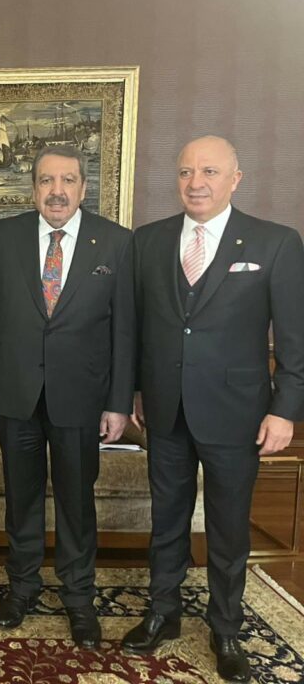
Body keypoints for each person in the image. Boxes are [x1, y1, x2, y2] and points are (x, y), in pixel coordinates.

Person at [121, 136, 304, 682]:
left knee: (227, 528)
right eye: (185, 172)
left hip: (237, 413)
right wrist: (133, 392)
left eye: (209, 171)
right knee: (166, 520)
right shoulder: (148, 241)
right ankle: (163, 612)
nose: (195, 182)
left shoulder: (276, 242)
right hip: (165, 410)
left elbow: (294, 339)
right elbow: (134, 329)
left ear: (235, 178)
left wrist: (285, 410)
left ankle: (225, 627)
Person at [0, 145, 135, 648]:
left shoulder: (116, 242)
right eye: (46, 180)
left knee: (76, 501)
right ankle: (21, 589)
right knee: (20, 498)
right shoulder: (5, 235)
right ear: (34, 188)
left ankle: (79, 598)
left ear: (84, 187)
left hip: (82, 397)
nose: (56, 191)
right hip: (15, 392)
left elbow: (124, 331)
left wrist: (118, 402)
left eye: (67, 181)